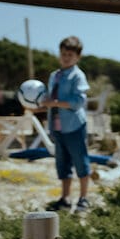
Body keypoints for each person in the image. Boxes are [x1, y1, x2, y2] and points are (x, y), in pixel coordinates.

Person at [40, 36, 92, 212]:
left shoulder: (78, 76)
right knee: (62, 163)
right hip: (57, 126)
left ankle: (84, 198)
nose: (66, 57)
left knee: (80, 161)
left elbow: (78, 101)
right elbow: (50, 98)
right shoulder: (54, 75)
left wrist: (54, 102)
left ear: (78, 56)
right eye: (63, 54)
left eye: (70, 54)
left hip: (74, 126)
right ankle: (65, 198)